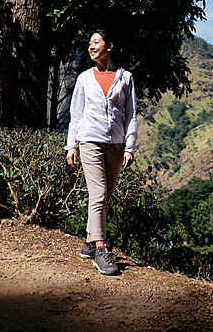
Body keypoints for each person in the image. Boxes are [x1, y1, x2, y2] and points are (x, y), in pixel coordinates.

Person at [65, 29, 137, 275]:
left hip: (116, 145)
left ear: (110, 46)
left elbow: (131, 115)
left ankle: (88, 242)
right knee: (98, 194)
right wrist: (71, 145)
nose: (91, 46)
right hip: (89, 142)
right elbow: (76, 114)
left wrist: (130, 146)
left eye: (96, 42)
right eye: (89, 43)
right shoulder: (85, 78)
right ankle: (101, 250)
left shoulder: (125, 78)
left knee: (105, 198)